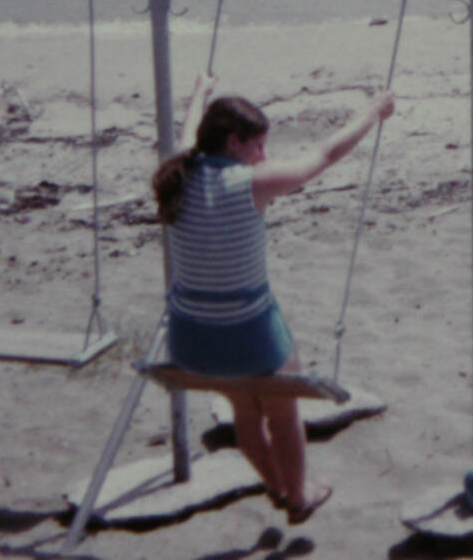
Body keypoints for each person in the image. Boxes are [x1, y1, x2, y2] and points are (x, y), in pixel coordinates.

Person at [151, 73, 396, 522]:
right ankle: (299, 495)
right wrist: (373, 112)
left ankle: (278, 487)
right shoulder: (249, 183)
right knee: (282, 410)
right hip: (247, 340)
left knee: (246, 410)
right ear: (233, 142)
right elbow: (325, 155)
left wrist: (200, 93)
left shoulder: (178, 173)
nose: (264, 156)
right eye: (258, 145)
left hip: (191, 345)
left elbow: (187, 133)